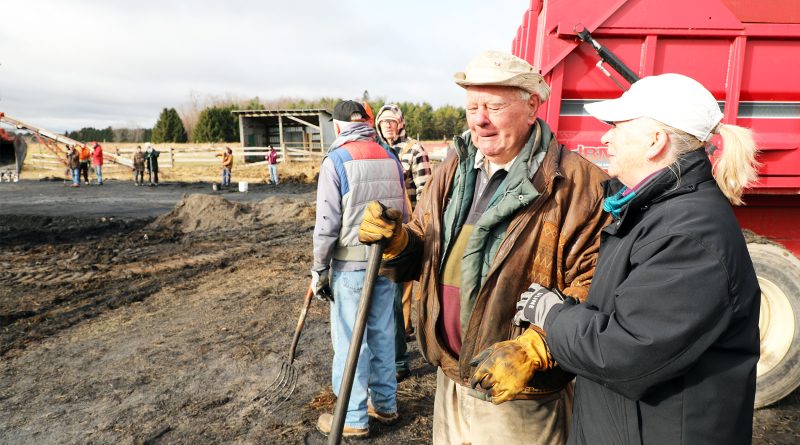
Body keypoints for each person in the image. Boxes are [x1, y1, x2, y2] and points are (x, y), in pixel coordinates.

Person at [358, 51, 611, 444]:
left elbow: (595, 287)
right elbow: (423, 250)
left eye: (494, 106)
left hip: (520, 398)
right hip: (452, 378)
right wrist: (399, 242)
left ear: (532, 107)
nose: (480, 119)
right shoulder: (456, 169)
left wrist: (534, 350)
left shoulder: (577, 184)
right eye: (472, 106)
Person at [512, 73, 761, 444]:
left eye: (616, 126)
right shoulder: (652, 211)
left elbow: (625, 353)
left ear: (655, 142)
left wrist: (553, 315)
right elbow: (627, 314)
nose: (605, 137)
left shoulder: (689, 234)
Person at [311, 100, 408, 439]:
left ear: (338, 127)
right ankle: (384, 404)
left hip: (350, 268)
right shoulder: (390, 157)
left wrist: (318, 270)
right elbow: (404, 213)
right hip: (385, 264)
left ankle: (352, 416)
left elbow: (326, 225)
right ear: (365, 124)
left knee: (352, 341)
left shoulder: (335, 160)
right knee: (383, 334)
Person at [375, 103, 433, 381]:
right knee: (391, 292)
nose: (387, 125)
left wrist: (418, 229)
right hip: (379, 226)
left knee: (401, 292)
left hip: (406, 227)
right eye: (383, 121)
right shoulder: (376, 149)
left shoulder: (414, 150)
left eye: (391, 121)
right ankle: (399, 338)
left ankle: (400, 351)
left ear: (400, 124)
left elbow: (425, 192)